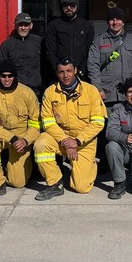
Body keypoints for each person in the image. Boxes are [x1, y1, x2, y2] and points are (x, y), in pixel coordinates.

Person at [33, 58, 106, 200]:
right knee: (41, 144)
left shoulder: (91, 91)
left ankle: (86, 166)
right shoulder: (50, 92)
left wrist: (77, 141)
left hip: (84, 142)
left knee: (81, 187)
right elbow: (48, 122)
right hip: (61, 139)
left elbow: (98, 122)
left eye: (69, 71)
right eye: (61, 72)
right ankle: (55, 183)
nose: (65, 75)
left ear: (75, 71)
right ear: (57, 73)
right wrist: (66, 140)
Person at [0, 60, 41, 201]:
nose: (7, 79)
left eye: (10, 76)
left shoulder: (27, 93)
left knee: (18, 183)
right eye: (3, 76)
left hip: (22, 137)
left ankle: (17, 167)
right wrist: (11, 138)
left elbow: (36, 124)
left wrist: (25, 140)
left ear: (15, 76)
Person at [88, 6, 132, 106]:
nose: (115, 22)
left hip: (128, 96)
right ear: (108, 22)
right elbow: (93, 66)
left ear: (123, 22)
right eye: (112, 20)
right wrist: (98, 89)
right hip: (106, 94)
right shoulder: (98, 41)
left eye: (118, 19)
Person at [45, 0, 94, 80]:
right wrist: (58, 70)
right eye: (65, 5)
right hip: (60, 74)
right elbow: (50, 52)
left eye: (72, 5)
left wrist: (82, 70)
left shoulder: (86, 25)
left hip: (81, 74)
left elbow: (89, 51)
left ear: (77, 6)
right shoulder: (53, 25)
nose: (68, 8)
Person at [0, 12, 43, 97]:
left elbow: (45, 66)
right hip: (14, 91)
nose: (23, 28)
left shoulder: (39, 42)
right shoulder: (6, 45)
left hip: (35, 91)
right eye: (20, 25)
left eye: (26, 25)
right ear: (15, 26)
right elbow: (0, 69)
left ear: (31, 26)